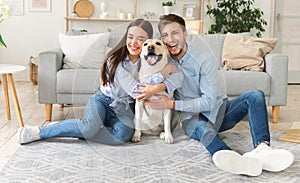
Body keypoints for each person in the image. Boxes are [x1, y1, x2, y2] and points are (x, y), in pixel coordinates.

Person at [139, 14, 294, 176]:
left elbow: (209, 102)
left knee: (255, 95)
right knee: (203, 129)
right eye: (165, 35)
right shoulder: (162, 59)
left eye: (175, 33)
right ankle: (231, 157)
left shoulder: (203, 58)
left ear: (185, 34)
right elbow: (142, 68)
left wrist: (172, 105)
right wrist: (153, 89)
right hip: (191, 118)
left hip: (220, 111)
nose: (170, 39)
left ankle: (262, 149)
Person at [18, 19, 181, 145]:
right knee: (89, 127)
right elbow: (136, 90)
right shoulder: (114, 60)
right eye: (131, 37)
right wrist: (162, 74)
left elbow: (177, 75)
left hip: (124, 107)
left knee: (123, 136)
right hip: (103, 101)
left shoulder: (146, 61)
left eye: (141, 39)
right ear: (126, 37)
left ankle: (84, 132)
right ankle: (41, 131)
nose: (134, 43)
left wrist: (162, 83)